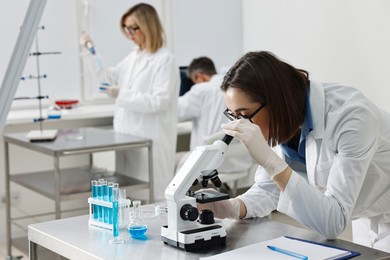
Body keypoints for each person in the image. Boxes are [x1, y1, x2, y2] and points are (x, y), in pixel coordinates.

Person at [199, 51, 390, 252]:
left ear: (275, 101)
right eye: (234, 115)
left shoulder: (352, 117)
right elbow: (269, 188)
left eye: (244, 115)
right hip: (365, 217)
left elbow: (333, 223)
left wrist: (270, 162)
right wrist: (231, 207)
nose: (241, 124)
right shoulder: (284, 121)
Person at [80, 3, 180, 201]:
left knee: (154, 197)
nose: (129, 33)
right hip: (128, 138)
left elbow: (158, 102)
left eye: (134, 28)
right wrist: (90, 52)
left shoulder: (164, 60)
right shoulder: (133, 57)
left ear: (148, 26)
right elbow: (107, 78)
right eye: (126, 28)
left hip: (152, 139)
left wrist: (121, 94)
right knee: (130, 195)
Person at [176, 57, 254, 185]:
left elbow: (176, 112)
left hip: (209, 162)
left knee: (179, 161)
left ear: (200, 77)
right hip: (240, 161)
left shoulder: (202, 89)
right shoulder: (238, 86)